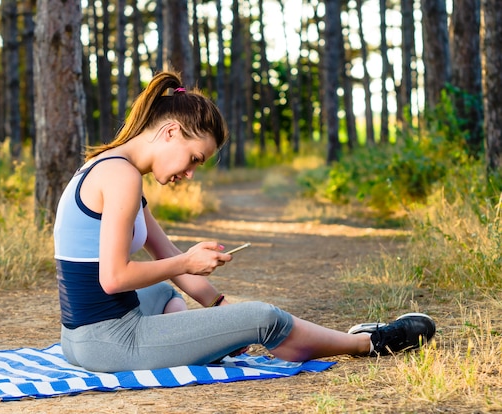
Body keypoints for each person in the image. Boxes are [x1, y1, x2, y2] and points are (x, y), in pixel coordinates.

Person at [53, 71, 436, 373]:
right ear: (170, 132)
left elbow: (164, 251)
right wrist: (188, 263)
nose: (190, 174)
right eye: (194, 159)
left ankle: (202, 341)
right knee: (262, 317)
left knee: (167, 295)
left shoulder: (108, 167)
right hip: (109, 342)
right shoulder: (123, 177)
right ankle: (368, 343)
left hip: (79, 338)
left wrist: (218, 303)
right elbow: (114, 278)